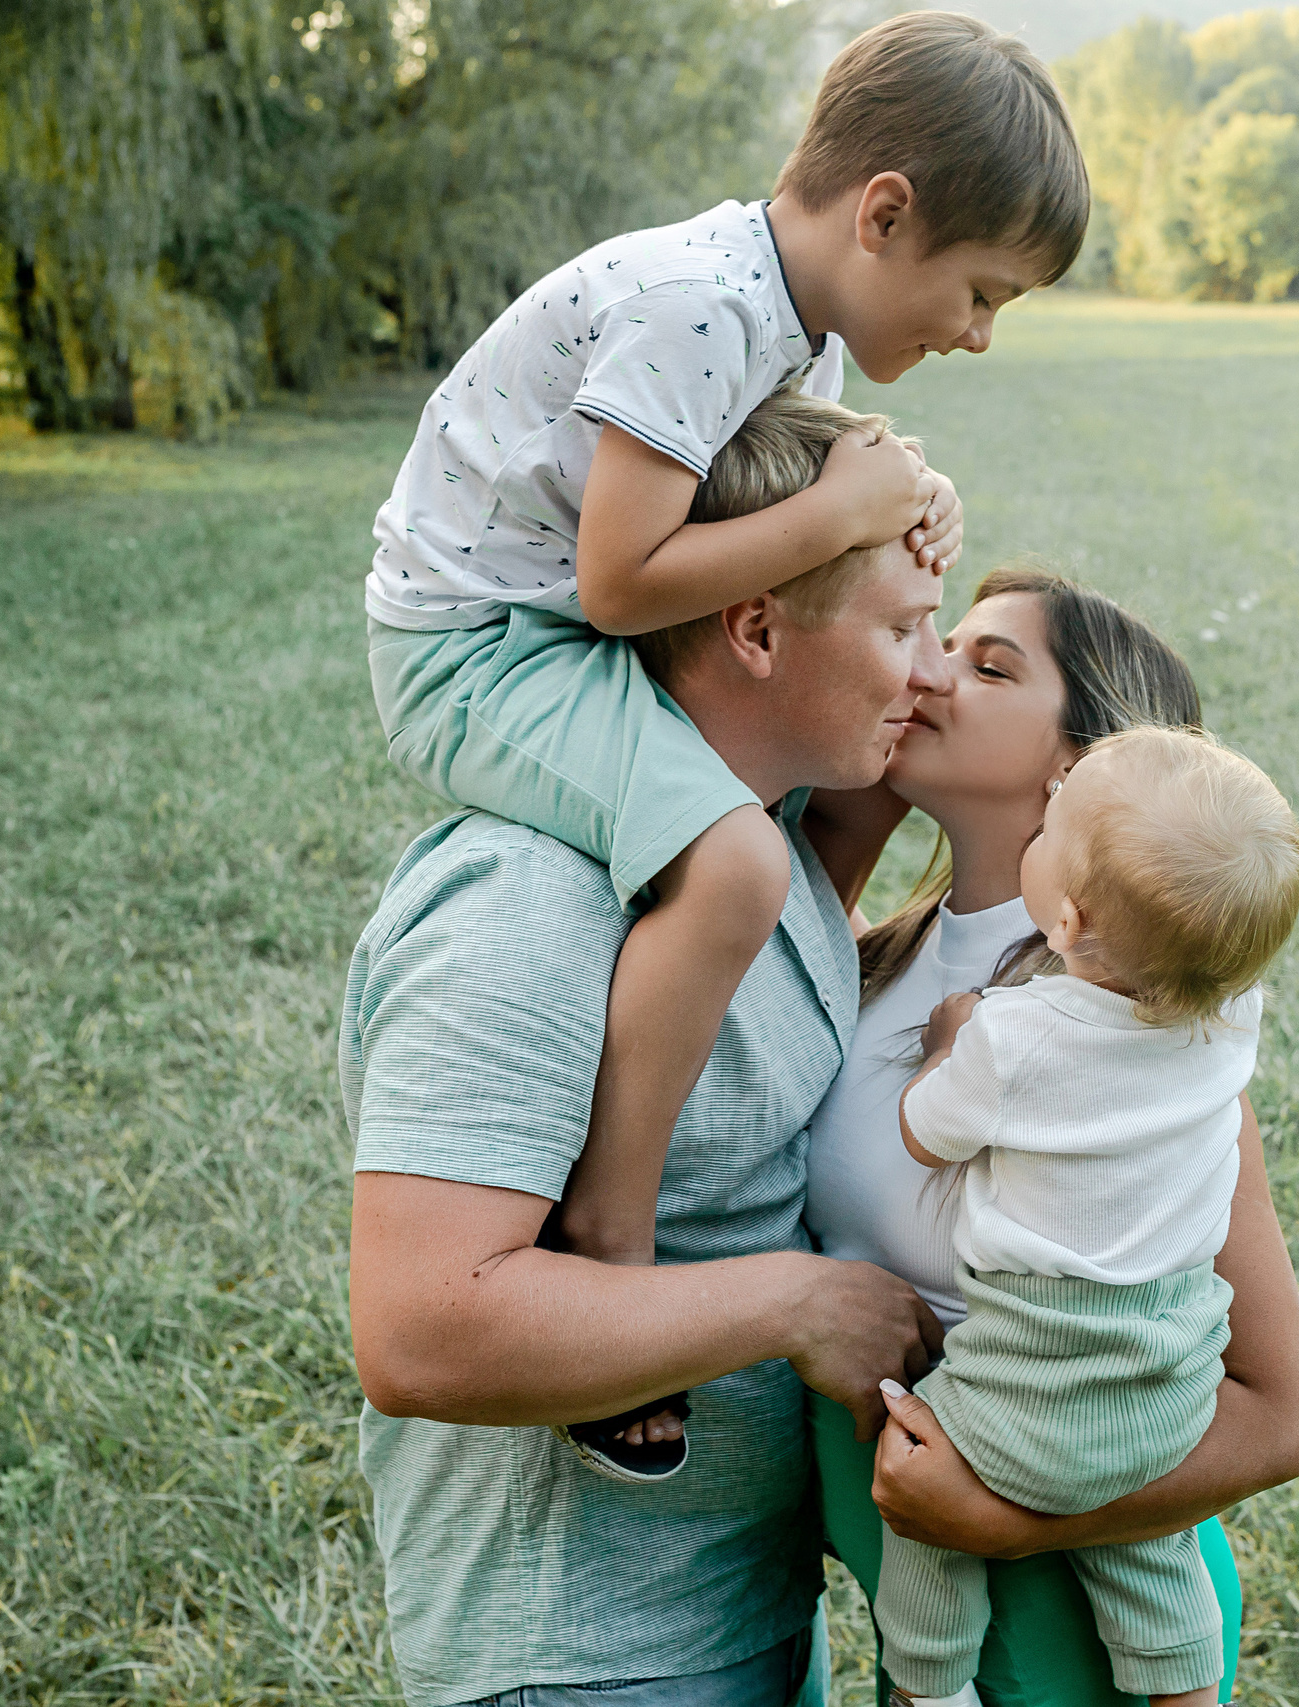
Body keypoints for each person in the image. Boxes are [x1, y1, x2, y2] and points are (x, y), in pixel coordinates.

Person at [361, 10, 1090, 1475]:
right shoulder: (698, 304)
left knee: (800, 805)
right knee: (738, 863)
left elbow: (776, 492)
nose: (977, 333)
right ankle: (612, 1226)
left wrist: (904, 500)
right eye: (980, 291)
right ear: (884, 214)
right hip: (475, 648)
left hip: (548, 628)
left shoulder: (782, 315)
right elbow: (621, 582)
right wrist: (833, 513)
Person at [342, 391, 954, 1707]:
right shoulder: (529, 901)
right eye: (904, 630)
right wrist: (797, 1305)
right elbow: (422, 1330)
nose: (934, 672)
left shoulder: (758, 837)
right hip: (585, 1652)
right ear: (755, 628)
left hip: (734, 1609)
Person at [801, 568, 1299, 1707]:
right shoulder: (878, 958)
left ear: (1083, 768)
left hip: (1074, 1626)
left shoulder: (1138, 1047)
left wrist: (1014, 1520)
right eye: (939, 639)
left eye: (989, 667)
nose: (928, 667)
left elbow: (1282, 1421)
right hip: (917, 1601)